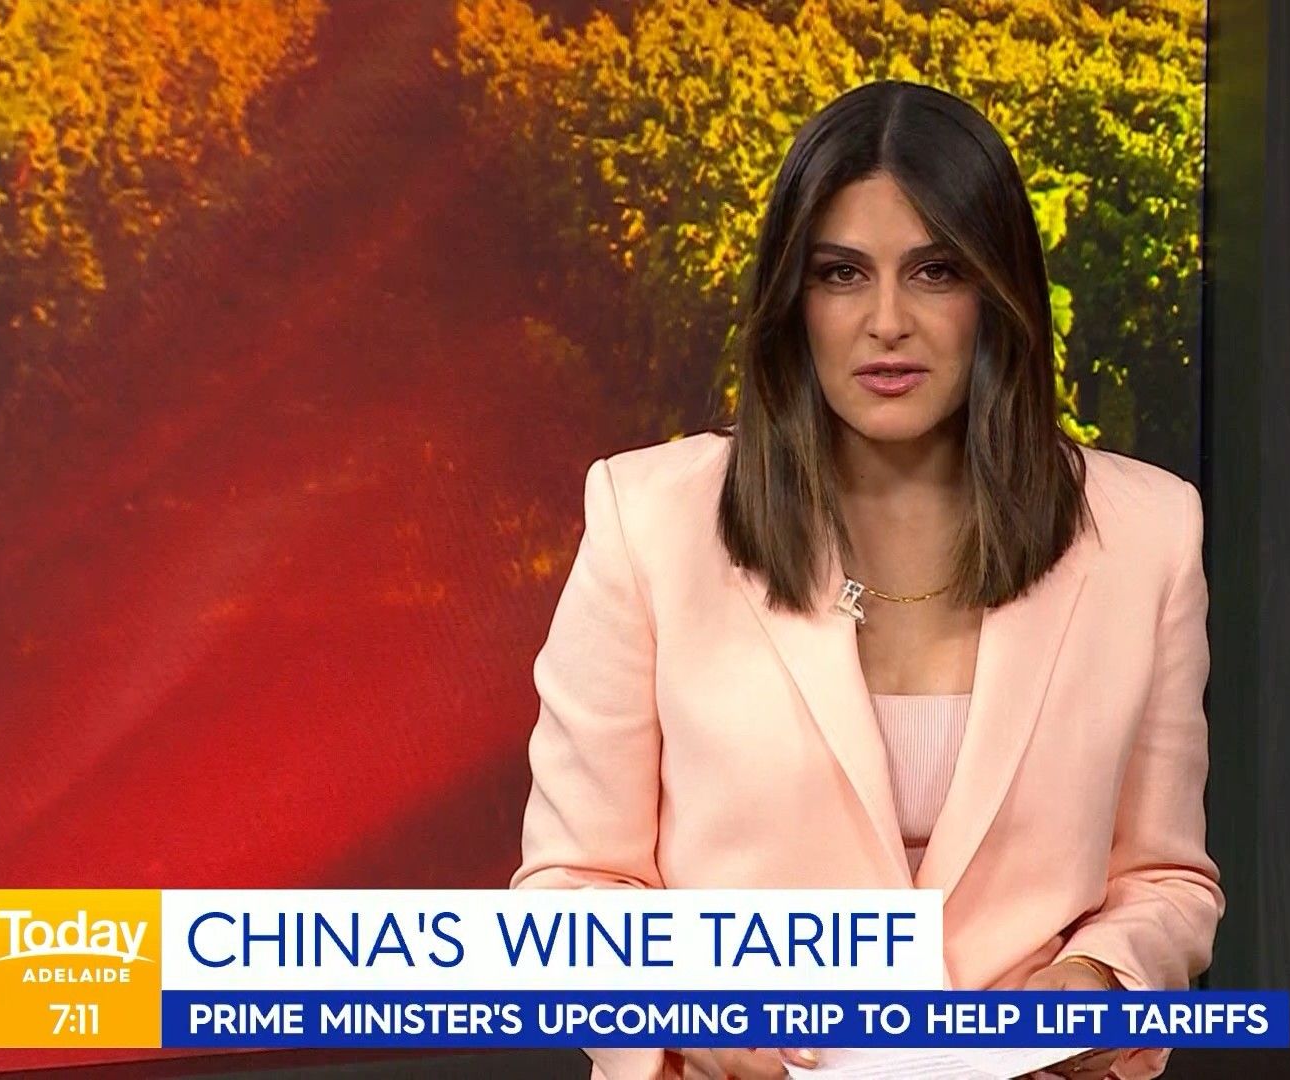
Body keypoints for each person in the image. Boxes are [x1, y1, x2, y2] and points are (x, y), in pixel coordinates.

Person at [512, 80, 1222, 1080]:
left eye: (935, 271)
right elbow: (570, 886)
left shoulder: (1147, 534)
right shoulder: (650, 521)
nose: (888, 321)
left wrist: (1101, 978)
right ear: (792, 302)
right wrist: (684, 1009)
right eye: (842, 274)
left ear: (998, 294)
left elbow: (1166, 879)